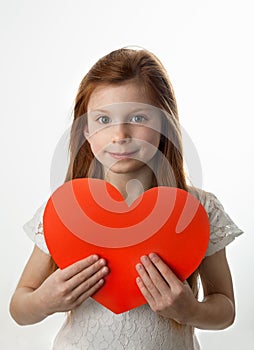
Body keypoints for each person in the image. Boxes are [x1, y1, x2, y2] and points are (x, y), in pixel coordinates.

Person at [9, 47, 243, 350]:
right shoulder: (66, 211)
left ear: (164, 124)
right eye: (103, 119)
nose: (120, 134)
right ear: (86, 130)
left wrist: (191, 311)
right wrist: (45, 300)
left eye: (138, 117)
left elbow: (225, 308)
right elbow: (19, 308)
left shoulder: (198, 209)